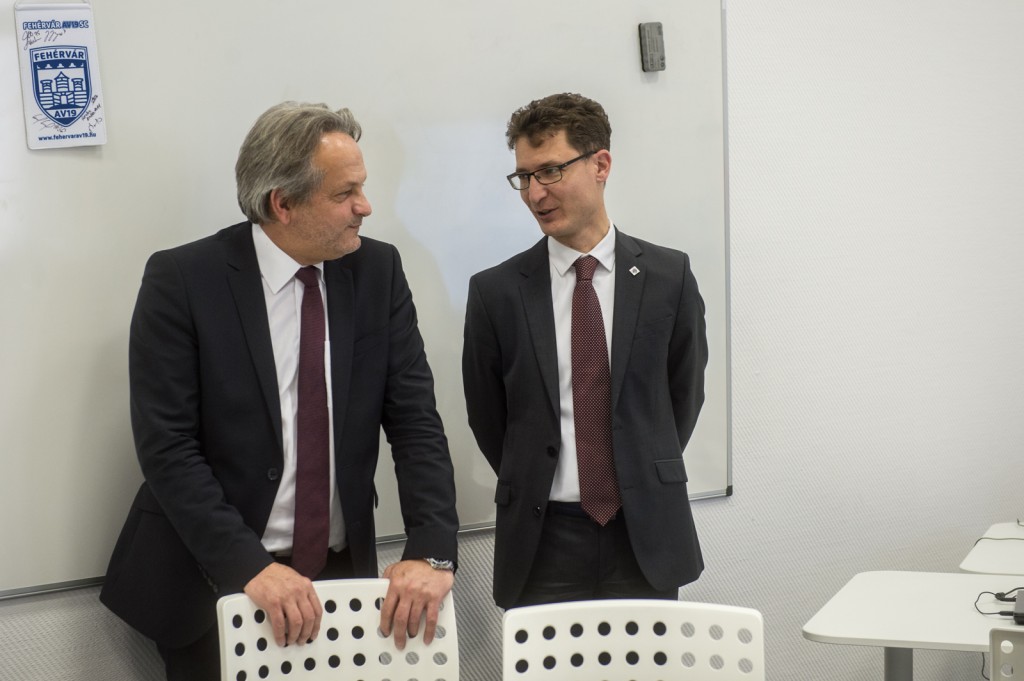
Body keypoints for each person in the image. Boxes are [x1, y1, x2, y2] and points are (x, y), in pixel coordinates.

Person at [100, 101, 459, 681]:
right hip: (214, 582)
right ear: (282, 204)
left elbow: (415, 420)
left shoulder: (377, 271)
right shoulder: (184, 281)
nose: (365, 207)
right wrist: (250, 567)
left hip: (339, 577)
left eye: (363, 188)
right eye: (345, 193)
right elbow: (168, 447)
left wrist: (431, 549)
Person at [462, 92, 708, 609]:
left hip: (644, 534)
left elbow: (682, 397)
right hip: (542, 540)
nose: (535, 193)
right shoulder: (496, 292)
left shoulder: (669, 277)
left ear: (600, 165)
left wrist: (640, 467)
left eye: (550, 171)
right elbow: (489, 416)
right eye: (524, 177)